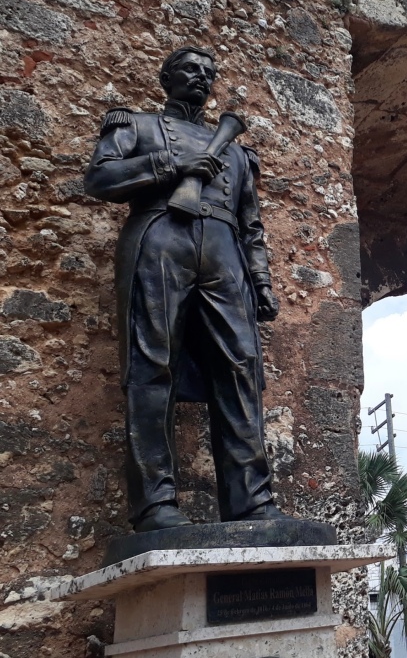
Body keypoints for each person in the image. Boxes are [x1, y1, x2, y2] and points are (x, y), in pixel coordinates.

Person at [84, 46, 286, 532]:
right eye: (191, 69)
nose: (201, 77)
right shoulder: (136, 126)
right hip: (159, 236)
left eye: (208, 72)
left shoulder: (235, 151)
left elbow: (251, 225)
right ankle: (155, 504)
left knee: (240, 369)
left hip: (224, 251)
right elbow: (100, 177)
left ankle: (251, 501)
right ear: (167, 77)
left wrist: (260, 278)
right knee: (151, 365)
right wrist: (171, 164)